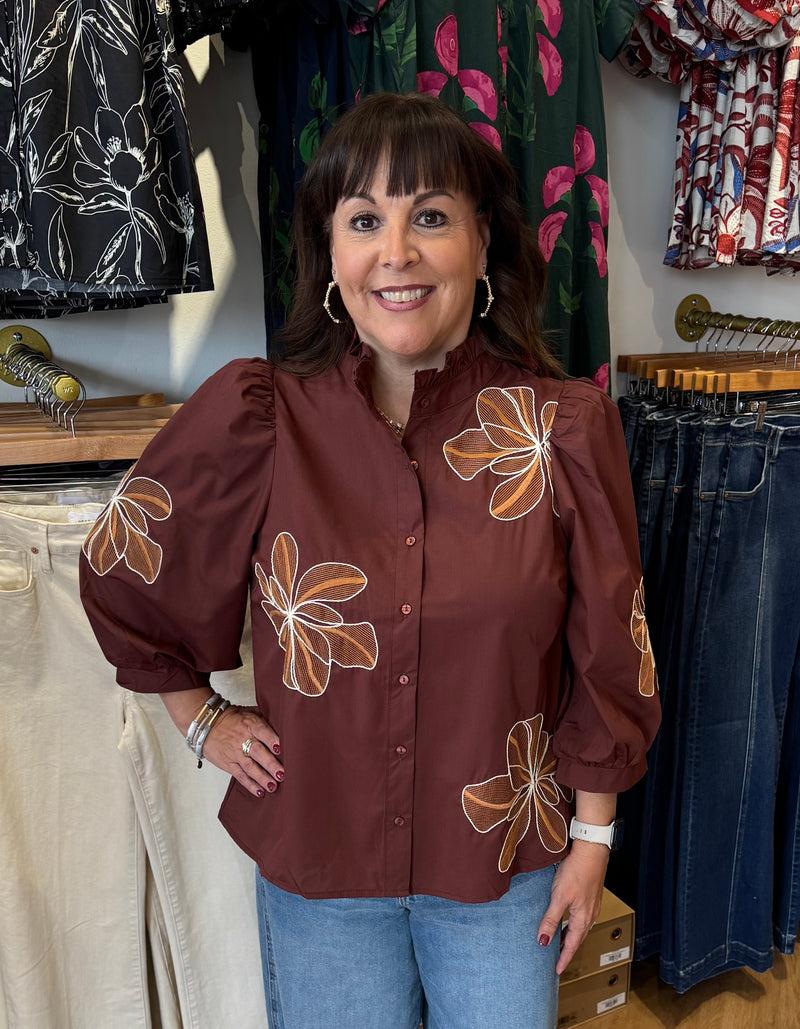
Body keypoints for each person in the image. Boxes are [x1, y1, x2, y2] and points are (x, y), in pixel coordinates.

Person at [80, 91, 661, 1029]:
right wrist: (201, 722)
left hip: (503, 872)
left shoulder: (561, 431)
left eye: (430, 216)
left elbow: (609, 654)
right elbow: (128, 568)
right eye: (365, 220)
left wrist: (593, 838)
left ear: (482, 246)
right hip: (323, 873)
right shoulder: (260, 419)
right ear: (331, 258)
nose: (397, 252)